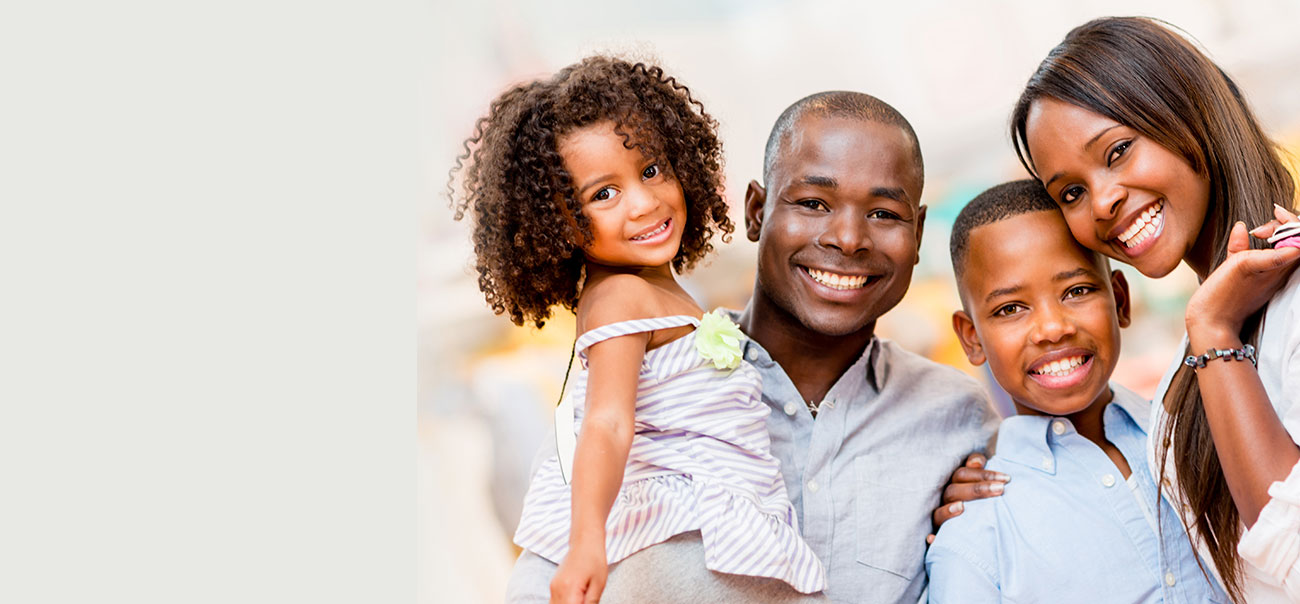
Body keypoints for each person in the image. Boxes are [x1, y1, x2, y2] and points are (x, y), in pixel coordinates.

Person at [451, 56, 826, 603]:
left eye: (651, 170)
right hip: (665, 536)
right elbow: (606, 422)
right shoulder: (620, 297)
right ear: (556, 224)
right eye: (604, 194)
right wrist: (586, 543)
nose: (645, 202)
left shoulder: (659, 292)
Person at [1008, 16, 1300, 602]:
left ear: (1187, 112)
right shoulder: (1183, 381)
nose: (1103, 201)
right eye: (1071, 192)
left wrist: (1214, 331)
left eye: (1117, 151)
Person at [731, 90, 999, 603]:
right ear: (756, 211)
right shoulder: (656, 382)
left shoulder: (958, 416)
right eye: (813, 203)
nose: (849, 238)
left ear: (917, 234)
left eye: (883, 213)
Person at [925, 179, 1226, 602]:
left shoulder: (1205, 436)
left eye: (1077, 291)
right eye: (1011, 309)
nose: (1053, 328)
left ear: (1120, 300)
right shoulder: (976, 538)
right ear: (972, 337)